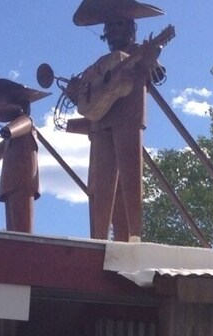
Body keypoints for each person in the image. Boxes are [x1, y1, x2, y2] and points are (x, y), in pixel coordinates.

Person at [68, 0, 168, 241]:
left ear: (131, 29)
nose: (113, 30)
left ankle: (135, 235)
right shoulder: (101, 64)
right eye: (109, 26)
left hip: (128, 118)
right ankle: (100, 237)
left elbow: (158, 74)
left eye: (119, 24)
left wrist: (151, 57)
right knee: (102, 184)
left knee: (130, 176)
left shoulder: (136, 52)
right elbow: (86, 94)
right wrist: (76, 93)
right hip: (100, 122)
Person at [0, 78, 50, 233]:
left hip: (23, 182)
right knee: (13, 233)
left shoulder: (26, 123)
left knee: (22, 232)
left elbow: (13, 129)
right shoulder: (10, 139)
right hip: (10, 184)